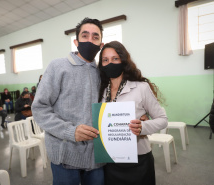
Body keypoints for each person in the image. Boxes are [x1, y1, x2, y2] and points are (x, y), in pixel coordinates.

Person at [32, 17, 105, 185]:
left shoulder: (102, 73)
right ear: (76, 41)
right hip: (65, 155)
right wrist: (70, 131)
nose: (90, 40)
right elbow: (40, 108)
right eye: (85, 36)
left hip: (97, 157)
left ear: (101, 45)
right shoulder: (58, 66)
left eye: (95, 37)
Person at [98, 41, 168, 185]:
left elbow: (162, 119)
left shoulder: (141, 88)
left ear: (123, 60)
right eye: (105, 60)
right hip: (109, 161)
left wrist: (143, 127)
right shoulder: (101, 91)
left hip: (138, 160)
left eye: (115, 58)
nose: (110, 63)